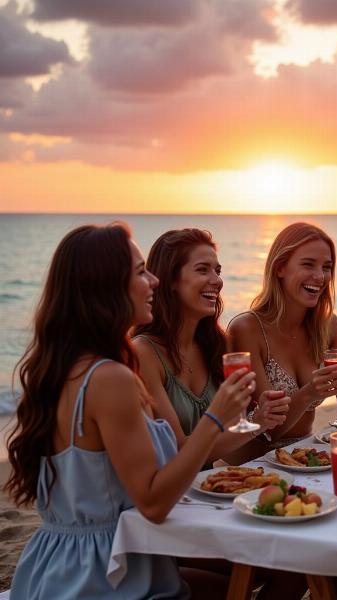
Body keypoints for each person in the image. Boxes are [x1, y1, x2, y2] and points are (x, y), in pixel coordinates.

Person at [4, 223, 256, 599]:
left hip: (58, 563)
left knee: (241, 581)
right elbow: (153, 503)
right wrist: (216, 417)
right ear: (107, 286)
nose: (154, 280)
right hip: (104, 577)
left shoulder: (67, 367)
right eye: (140, 271)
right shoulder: (110, 379)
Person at [226, 222, 337, 463]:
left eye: (326, 267)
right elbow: (268, 431)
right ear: (280, 268)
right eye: (308, 264)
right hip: (254, 465)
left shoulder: (327, 326)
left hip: (305, 459)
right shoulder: (246, 329)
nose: (320, 277)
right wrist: (308, 394)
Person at [133, 228, 290, 460]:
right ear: (171, 280)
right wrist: (253, 422)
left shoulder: (218, 345)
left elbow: (232, 451)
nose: (217, 281)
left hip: (212, 488)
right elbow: (178, 453)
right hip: (171, 494)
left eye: (217, 271)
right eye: (202, 270)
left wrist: (259, 421)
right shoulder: (144, 353)